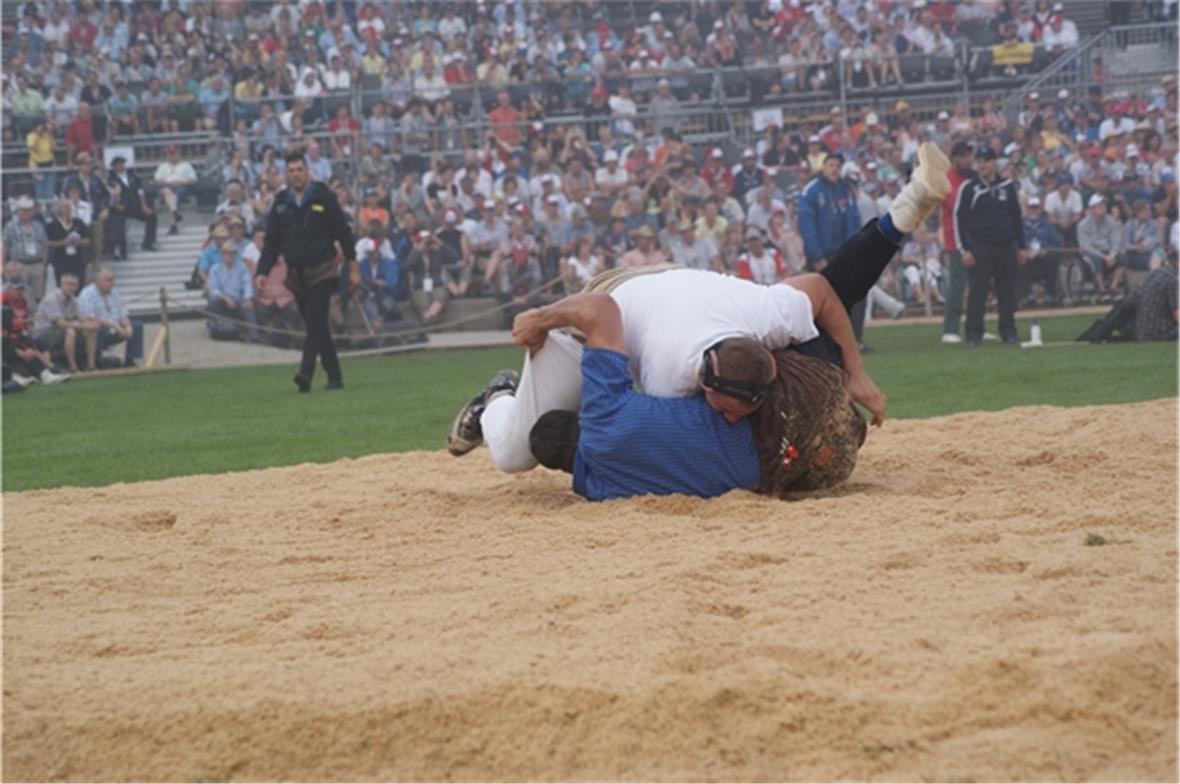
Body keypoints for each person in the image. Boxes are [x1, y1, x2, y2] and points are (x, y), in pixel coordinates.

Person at [447, 144, 951, 478]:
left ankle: (906, 207)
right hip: (597, 315)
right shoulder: (670, 378)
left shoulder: (761, 315)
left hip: (672, 288)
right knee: (515, 454)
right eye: (726, 409)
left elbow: (821, 289)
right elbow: (600, 316)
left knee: (821, 321)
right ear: (706, 385)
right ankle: (498, 398)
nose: (726, 419)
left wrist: (855, 373)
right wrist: (542, 317)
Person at [256, 150, 358, 392]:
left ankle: (305, 373)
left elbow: (343, 233)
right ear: (286, 175)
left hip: (323, 269)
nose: (296, 174)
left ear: (307, 172)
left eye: (300, 169)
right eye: (291, 170)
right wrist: (262, 271)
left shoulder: (324, 197)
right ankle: (335, 376)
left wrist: (353, 267)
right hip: (296, 274)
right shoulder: (281, 202)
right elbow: (272, 241)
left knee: (314, 322)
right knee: (317, 325)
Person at [954, 146, 1026, 347]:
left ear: (994, 162)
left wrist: (1021, 246)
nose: (982, 165)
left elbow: (1016, 217)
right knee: (978, 291)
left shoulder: (1007, 186)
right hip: (981, 246)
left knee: (1007, 291)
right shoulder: (970, 188)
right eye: (979, 161)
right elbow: (959, 218)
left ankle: (1008, 330)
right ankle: (974, 333)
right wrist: (964, 249)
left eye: (986, 160)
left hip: (1006, 245)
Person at [798, 152, 865, 344]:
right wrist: (817, 256)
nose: (834, 169)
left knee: (856, 293)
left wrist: (855, 250)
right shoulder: (811, 191)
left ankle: (854, 340)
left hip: (844, 253)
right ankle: (820, 342)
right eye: (830, 165)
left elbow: (854, 222)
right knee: (821, 298)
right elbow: (807, 226)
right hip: (822, 254)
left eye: (837, 166)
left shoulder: (846, 191)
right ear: (823, 167)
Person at [940, 141, 974, 344]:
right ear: (954, 158)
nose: (968, 160)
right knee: (957, 285)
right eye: (963, 156)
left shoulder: (971, 178)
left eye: (969, 156)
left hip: (975, 238)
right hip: (956, 239)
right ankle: (950, 328)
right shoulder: (947, 180)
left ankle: (974, 325)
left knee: (977, 285)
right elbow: (957, 204)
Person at [77, 267, 143, 367]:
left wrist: (128, 327)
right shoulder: (87, 294)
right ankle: (97, 360)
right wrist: (115, 327)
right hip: (100, 330)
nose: (111, 283)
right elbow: (88, 317)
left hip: (115, 328)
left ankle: (130, 360)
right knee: (96, 327)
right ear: (97, 281)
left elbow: (123, 313)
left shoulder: (115, 293)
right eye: (107, 280)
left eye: (112, 280)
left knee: (136, 326)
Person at [32, 273, 97, 373]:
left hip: (60, 331)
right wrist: (85, 326)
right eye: (69, 284)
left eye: (74, 285)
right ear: (61, 284)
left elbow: (80, 318)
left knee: (90, 331)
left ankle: (91, 366)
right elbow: (60, 323)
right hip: (44, 333)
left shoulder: (73, 300)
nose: (72, 287)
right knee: (70, 331)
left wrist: (90, 325)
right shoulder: (52, 299)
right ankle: (73, 367)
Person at [208, 240, 259, 342]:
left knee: (249, 306)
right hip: (222, 299)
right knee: (214, 301)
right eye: (227, 253)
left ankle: (254, 335)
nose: (230, 256)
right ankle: (220, 328)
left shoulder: (242, 267)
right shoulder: (215, 269)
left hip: (237, 299)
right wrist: (226, 298)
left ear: (235, 255)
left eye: (232, 253)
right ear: (222, 254)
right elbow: (214, 289)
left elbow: (247, 284)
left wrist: (248, 299)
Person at [107, 156, 158, 257]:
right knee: (118, 223)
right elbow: (110, 195)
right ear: (114, 167)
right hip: (120, 206)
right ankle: (120, 249)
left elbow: (140, 191)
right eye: (118, 165)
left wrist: (144, 205)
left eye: (122, 164)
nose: (121, 166)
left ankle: (148, 243)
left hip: (134, 205)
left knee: (151, 216)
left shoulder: (132, 176)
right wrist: (117, 205)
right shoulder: (111, 179)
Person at [1077, 195, 1125, 300]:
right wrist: (1104, 257)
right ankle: (1101, 289)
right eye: (1100, 207)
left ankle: (1113, 288)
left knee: (1122, 259)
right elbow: (1086, 246)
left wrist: (1112, 255)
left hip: (1108, 251)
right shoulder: (1083, 225)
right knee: (1095, 260)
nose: (1103, 209)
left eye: (1104, 206)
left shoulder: (1111, 222)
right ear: (1092, 209)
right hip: (1092, 252)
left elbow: (1115, 241)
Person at [3, 196, 50, 301]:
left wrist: (44, 263)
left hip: (37, 263)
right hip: (18, 265)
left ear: (32, 211)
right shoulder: (10, 226)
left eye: (28, 210)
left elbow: (45, 244)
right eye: (23, 210)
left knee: (38, 296)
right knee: (19, 295)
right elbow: (5, 246)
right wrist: (2, 265)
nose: (26, 213)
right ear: (18, 211)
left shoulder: (38, 226)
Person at [45, 198, 90, 286]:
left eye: (69, 207)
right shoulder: (52, 225)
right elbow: (48, 243)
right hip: (60, 262)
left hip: (77, 261)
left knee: (79, 285)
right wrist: (63, 243)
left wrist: (79, 242)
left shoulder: (78, 223)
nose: (68, 209)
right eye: (65, 207)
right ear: (59, 209)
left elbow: (88, 240)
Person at [153, 144, 197, 236]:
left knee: (172, 197)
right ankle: (174, 216)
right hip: (166, 187)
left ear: (179, 154)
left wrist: (181, 183)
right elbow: (157, 182)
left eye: (174, 153)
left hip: (181, 187)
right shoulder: (162, 166)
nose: (172, 156)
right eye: (170, 153)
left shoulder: (186, 165)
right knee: (167, 192)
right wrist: (169, 184)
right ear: (167, 155)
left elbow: (193, 180)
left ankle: (174, 217)